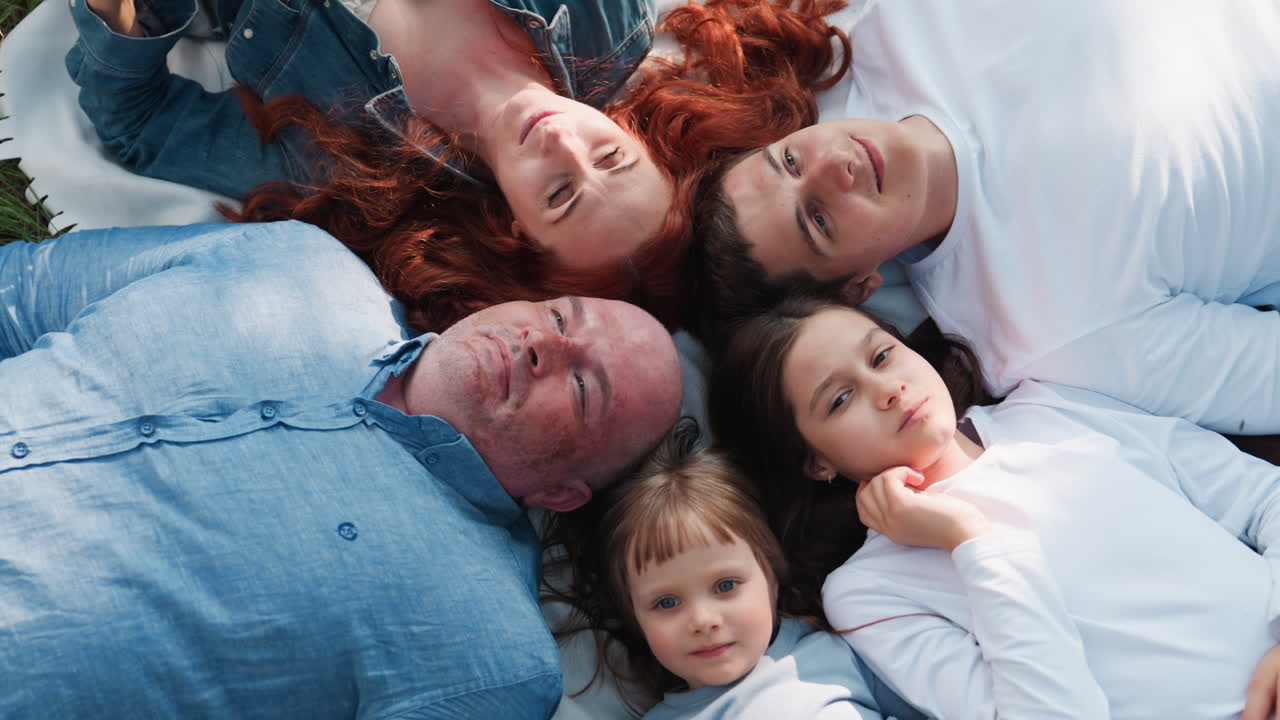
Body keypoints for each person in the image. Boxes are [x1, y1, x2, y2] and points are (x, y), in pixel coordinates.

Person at [0, 220, 683, 717]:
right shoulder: (293, 259)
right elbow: (22, 290)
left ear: (561, 493)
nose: (543, 347)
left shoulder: (487, 658)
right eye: (561, 316)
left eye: (585, 386)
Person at [67, 0, 849, 330]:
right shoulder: (600, 23)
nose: (562, 144)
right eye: (609, 154)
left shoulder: (348, 161)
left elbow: (134, 125)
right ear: (635, 132)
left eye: (562, 196)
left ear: (514, 223)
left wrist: (126, 15)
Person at [691, 0, 1280, 435]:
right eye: (818, 221)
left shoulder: (885, 33)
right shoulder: (1042, 331)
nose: (830, 169)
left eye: (790, 159)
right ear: (858, 286)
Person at [709, 294, 1280, 720]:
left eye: (881, 356)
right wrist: (970, 539)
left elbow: (1261, 496)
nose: (887, 389)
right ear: (815, 462)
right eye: (840, 398)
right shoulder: (869, 593)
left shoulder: (1049, 405)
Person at [543, 426, 927, 719]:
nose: (702, 620)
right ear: (634, 615)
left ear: (772, 575)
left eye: (725, 585)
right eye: (666, 602)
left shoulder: (840, 648)